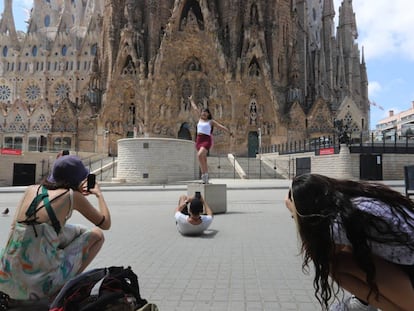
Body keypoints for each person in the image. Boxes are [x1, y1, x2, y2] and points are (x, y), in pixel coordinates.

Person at [285, 173, 414, 311]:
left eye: (293, 216)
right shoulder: (355, 202)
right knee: (351, 250)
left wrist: (298, 216)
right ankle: (363, 303)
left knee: (335, 265)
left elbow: (322, 254)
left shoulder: (338, 225)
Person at [0, 155, 111, 301]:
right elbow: (105, 224)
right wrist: (99, 195)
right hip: (40, 286)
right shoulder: (72, 196)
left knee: (75, 231)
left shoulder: (31, 189)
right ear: (77, 179)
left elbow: (14, 227)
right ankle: (62, 287)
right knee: (97, 235)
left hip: (6, 278)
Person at [189, 95, 233, 184]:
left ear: (208, 114)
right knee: (203, 159)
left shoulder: (210, 122)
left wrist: (229, 132)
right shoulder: (199, 119)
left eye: (206, 112)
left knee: (199, 155)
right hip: (199, 140)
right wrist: (191, 100)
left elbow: (220, 126)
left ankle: (204, 175)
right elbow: (195, 109)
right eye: (203, 112)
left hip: (206, 140)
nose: (204, 113)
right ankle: (205, 176)